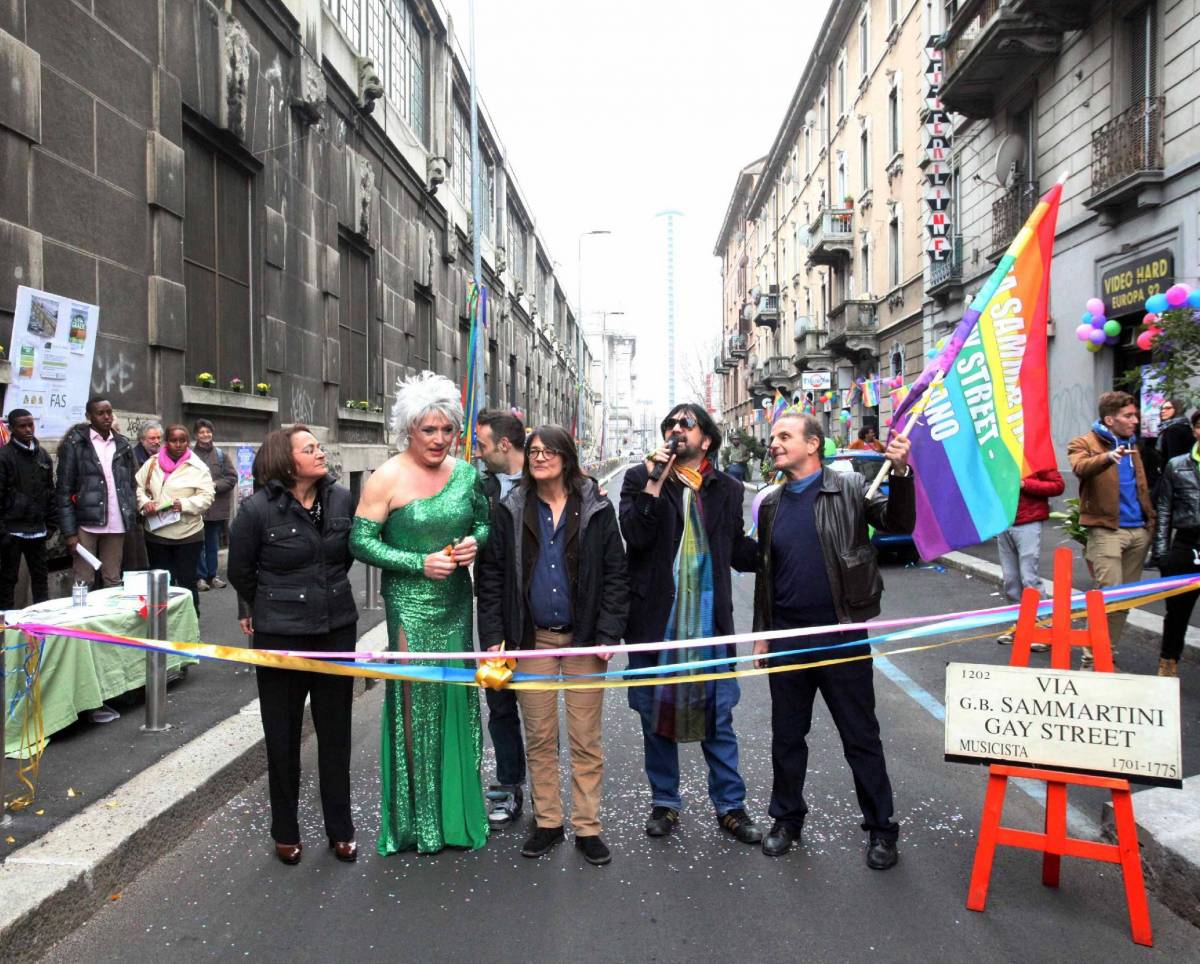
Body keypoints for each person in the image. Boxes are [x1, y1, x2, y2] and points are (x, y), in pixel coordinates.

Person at [751, 412, 912, 870]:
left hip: (841, 635)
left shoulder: (849, 488)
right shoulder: (770, 504)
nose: (775, 443)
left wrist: (900, 472)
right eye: (774, 437)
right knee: (787, 736)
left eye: (785, 436)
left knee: (860, 737)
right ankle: (786, 819)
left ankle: (882, 830)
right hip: (788, 639)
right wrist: (764, 634)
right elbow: (767, 574)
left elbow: (898, 519)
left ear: (813, 444)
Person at [350, 372, 490, 855]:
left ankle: (455, 815)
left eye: (446, 429)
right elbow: (360, 541)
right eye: (428, 430)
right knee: (415, 704)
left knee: (457, 701)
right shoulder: (387, 476)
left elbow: (484, 523)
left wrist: (475, 543)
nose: (438, 439)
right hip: (409, 605)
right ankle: (418, 819)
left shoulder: (468, 474)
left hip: (455, 603)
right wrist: (415, 562)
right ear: (408, 429)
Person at [477, 426, 628, 865]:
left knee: (585, 739)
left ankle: (588, 828)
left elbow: (616, 574)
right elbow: (491, 580)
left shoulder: (596, 506)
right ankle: (548, 823)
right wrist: (492, 640)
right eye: (533, 451)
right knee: (540, 738)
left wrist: (608, 633)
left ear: (567, 455)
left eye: (549, 450)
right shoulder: (509, 509)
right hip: (531, 640)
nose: (540, 457)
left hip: (583, 642)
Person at [619, 402, 762, 845]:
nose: (675, 430)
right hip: (655, 622)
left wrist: (785, 542)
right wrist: (654, 483)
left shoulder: (728, 489)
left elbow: (736, 549)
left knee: (717, 716)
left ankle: (730, 806)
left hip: (708, 622)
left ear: (707, 439)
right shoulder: (638, 479)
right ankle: (665, 802)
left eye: (686, 423)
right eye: (670, 424)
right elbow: (636, 536)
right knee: (654, 715)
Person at [227, 425, 359, 866]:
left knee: (336, 735)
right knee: (282, 737)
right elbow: (241, 571)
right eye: (310, 448)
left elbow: (344, 557)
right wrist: (271, 603)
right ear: (286, 460)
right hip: (280, 636)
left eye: (319, 447)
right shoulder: (257, 509)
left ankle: (341, 829)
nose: (320, 453)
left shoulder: (340, 499)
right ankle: (285, 830)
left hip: (336, 629)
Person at [1068, 391, 1155, 667]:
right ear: (1110, 419)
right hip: (1106, 530)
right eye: (1128, 416)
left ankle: (1106, 653)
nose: (1135, 420)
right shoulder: (1084, 442)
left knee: (1124, 600)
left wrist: (1150, 523)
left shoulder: (1135, 444)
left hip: (1139, 531)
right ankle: (1093, 659)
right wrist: (1108, 457)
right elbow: (1080, 467)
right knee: (1107, 597)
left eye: (1135, 415)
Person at [473, 407, 529, 826]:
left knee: (542, 710)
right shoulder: (481, 490)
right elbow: (488, 572)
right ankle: (508, 787)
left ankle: (546, 792)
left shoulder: (549, 480)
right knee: (501, 702)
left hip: (546, 623)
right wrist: (491, 633)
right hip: (498, 619)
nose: (477, 451)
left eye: (482, 444)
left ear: (504, 445)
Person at [56, 397, 138, 588]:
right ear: (89, 416)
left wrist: (131, 510)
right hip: (87, 523)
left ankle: (114, 617)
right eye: (100, 413)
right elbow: (64, 490)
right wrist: (69, 532)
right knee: (83, 580)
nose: (107, 417)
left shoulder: (122, 444)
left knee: (113, 578)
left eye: (109, 412)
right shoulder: (76, 444)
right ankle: (82, 617)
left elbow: (131, 483)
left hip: (117, 521)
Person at [134, 425, 214, 614]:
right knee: (161, 583)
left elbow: (207, 497)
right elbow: (137, 487)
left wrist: (184, 504)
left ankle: (190, 623)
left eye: (183, 441)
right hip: (156, 533)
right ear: (166, 442)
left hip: (188, 534)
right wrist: (145, 503)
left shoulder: (198, 467)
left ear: (188, 442)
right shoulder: (152, 463)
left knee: (187, 583)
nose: (178, 445)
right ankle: (162, 624)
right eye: (173, 440)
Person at [1150, 410, 1200, 677]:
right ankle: (1168, 661)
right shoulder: (1177, 465)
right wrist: (1161, 555)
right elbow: (1165, 511)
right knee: (1177, 612)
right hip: (1186, 544)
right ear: (1194, 431)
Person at [994, 467, 1065, 652]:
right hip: (1004, 519)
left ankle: (1044, 628)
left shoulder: (1036, 454)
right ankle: (1020, 626)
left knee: (1029, 577)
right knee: (1010, 579)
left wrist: (1025, 484)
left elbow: (1057, 486)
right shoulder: (997, 449)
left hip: (1028, 520)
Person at [0, 409, 58, 610]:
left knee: (40, 580)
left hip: (38, 530)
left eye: (30, 425)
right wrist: (4, 532)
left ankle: (42, 626)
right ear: (12, 428)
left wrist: (51, 524)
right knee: (8, 581)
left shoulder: (42, 454)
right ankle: (5, 628)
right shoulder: (4, 457)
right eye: (22, 426)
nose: (27, 430)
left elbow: (50, 491)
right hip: (12, 531)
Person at [192, 418, 237, 592]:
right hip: (197, 507)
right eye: (201, 432)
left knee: (213, 544)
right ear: (196, 434)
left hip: (216, 507)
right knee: (198, 544)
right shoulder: (189, 455)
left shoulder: (220, 455)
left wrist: (215, 485)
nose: (205, 435)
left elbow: (232, 478)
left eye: (208, 431)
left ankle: (212, 575)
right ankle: (200, 577)